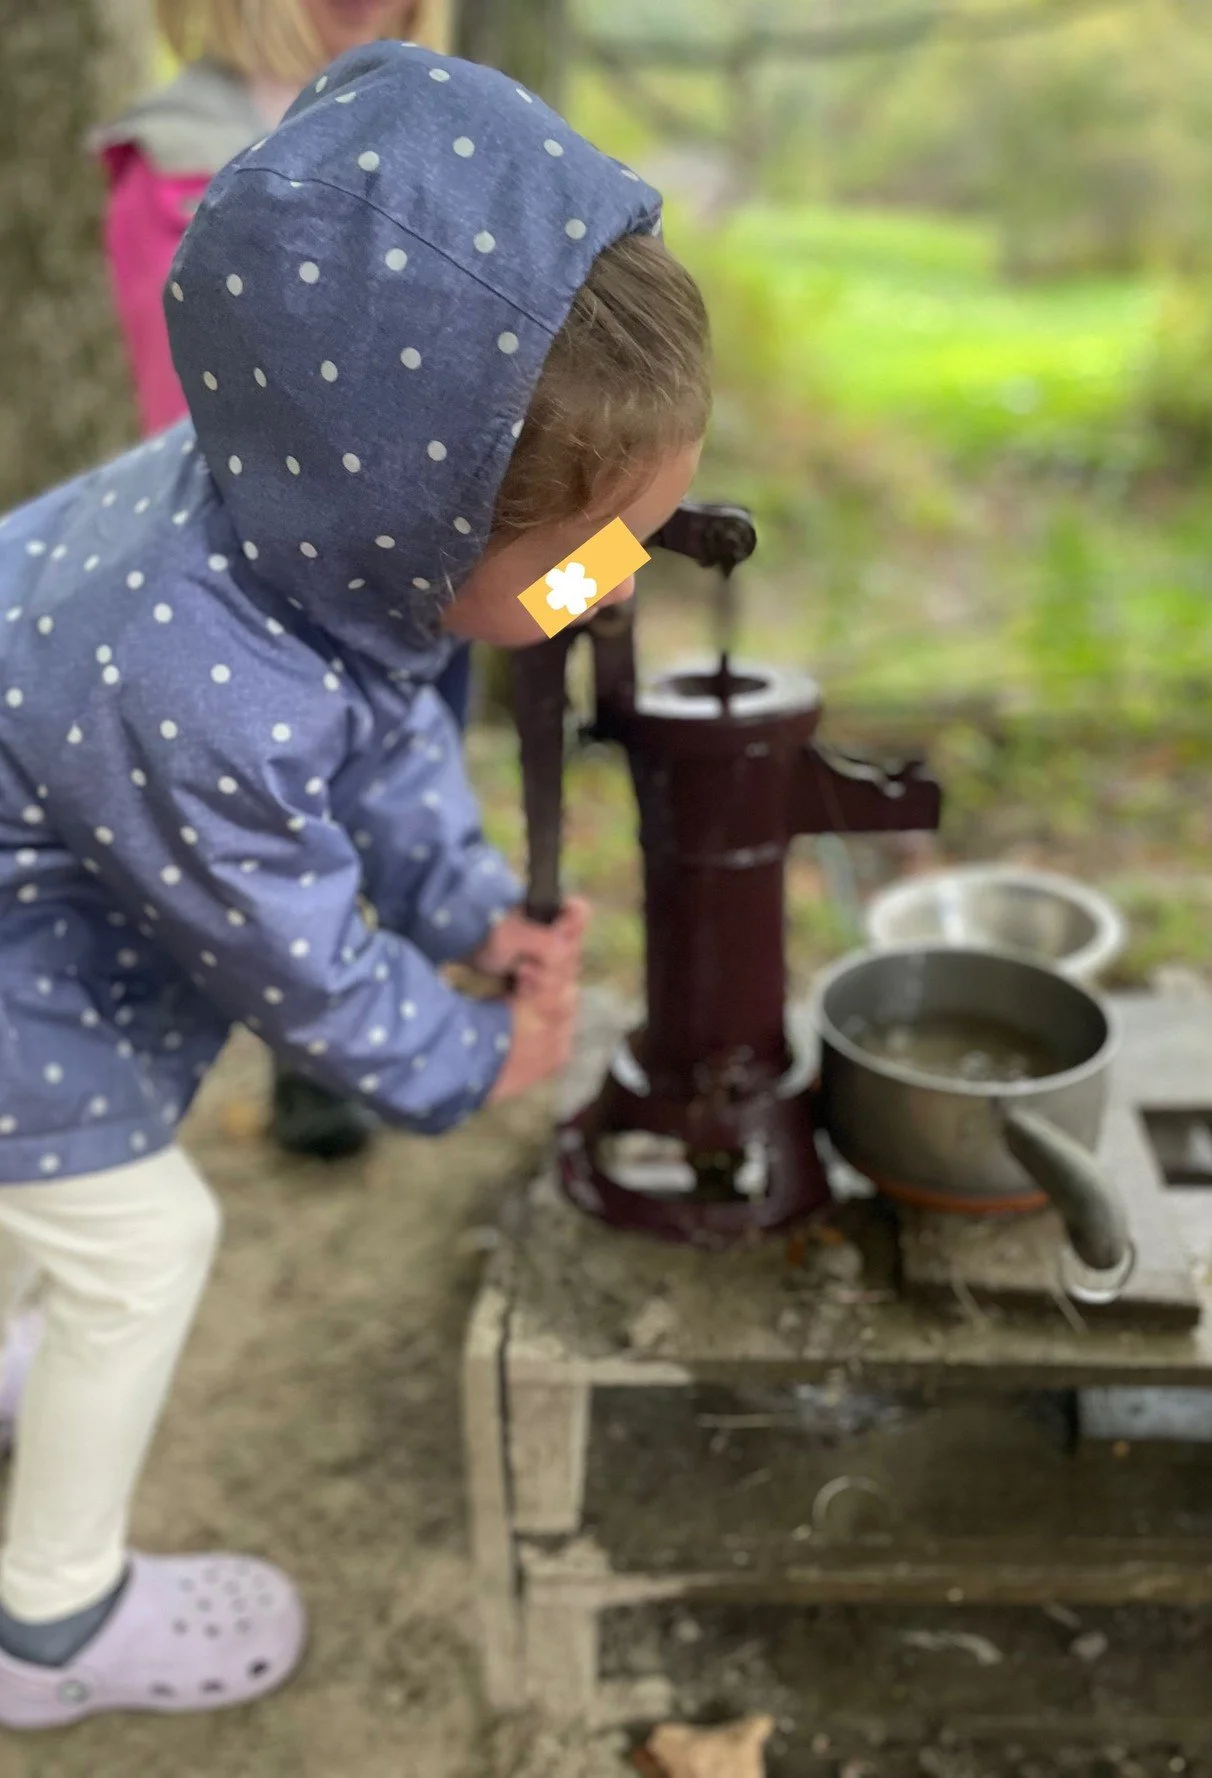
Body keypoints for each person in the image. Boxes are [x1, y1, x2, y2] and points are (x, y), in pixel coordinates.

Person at [0, 40, 709, 1724]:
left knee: (53, 1204)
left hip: (42, 893)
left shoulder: (304, 524)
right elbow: (291, 952)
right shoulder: (199, 684)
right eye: (589, 563)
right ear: (417, 517)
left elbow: (385, 736)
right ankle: (49, 1619)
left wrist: (471, 911)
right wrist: (468, 1056)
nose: (615, 590)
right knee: (136, 1239)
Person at [95, 0, 470, 1162]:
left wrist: (579, 564)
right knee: (303, 820)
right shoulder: (178, 161)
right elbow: (194, 408)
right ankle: (331, 1053)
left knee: (417, 783)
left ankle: (422, 1002)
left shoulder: (447, 124)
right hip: (297, 581)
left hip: (440, 565)